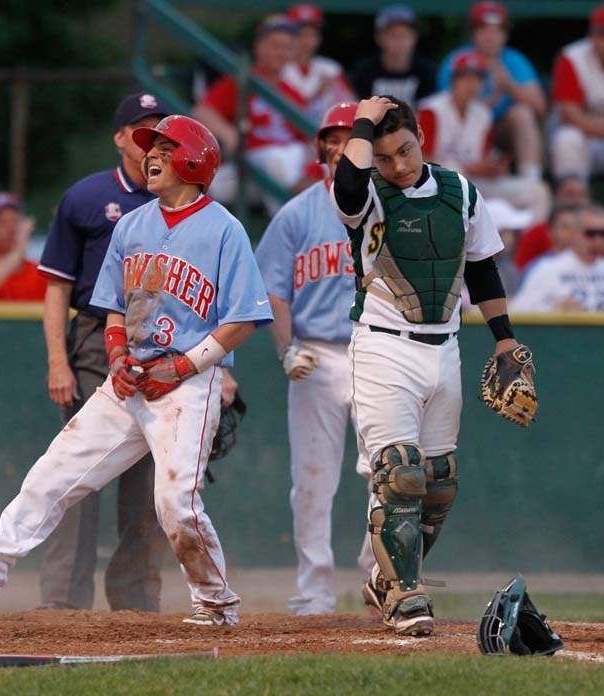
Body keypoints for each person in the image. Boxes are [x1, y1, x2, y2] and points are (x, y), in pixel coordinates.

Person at [0, 115, 273, 627]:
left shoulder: (224, 228)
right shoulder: (132, 225)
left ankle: (215, 602)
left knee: (175, 503)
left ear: (195, 161)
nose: (151, 155)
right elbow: (113, 307)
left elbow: (243, 319)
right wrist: (117, 357)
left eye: (166, 148)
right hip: (129, 380)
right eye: (151, 147)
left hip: (188, 384)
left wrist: (184, 365)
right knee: (53, 473)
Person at [331, 95, 521, 636]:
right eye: (384, 156)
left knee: (438, 483)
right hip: (384, 345)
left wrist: (505, 342)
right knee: (400, 473)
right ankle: (405, 597)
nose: (397, 165)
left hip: (445, 346)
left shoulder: (461, 191)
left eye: (405, 150)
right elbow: (347, 189)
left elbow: (481, 269)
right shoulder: (368, 192)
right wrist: (362, 122)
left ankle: (385, 578)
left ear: (421, 138)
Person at [36, 93, 170, 611]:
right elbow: (57, 288)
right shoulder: (89, 197)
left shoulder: (182, 199)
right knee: (80, 466)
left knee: (149, 474)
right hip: (96, 335)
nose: (150, 140)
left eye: (160, 130)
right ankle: (63, 602)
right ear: (119, 138)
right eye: (140, 129)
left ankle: (135, 601)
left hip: (161, 339)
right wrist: (58, 361)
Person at [255, 102, 363, 616]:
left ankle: (381, 581)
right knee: (312, 481)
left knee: (390, 473)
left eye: (349, 139)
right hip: (316, 353)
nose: (339, 148)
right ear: (321, 149)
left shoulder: (388, 208)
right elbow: (273, 290)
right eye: (332, 140)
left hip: (377, 350)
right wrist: (287, 348)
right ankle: (314, 591)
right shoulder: (297, 213)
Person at [193, 13, 309, 212]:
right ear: (259, 47)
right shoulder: (242, 82)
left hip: (287, 163)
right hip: (254, 160)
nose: (281, 53)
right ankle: (294, 225)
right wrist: (228, 132)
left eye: (287, 48)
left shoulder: (292, 92)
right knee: (273, 163)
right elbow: (202, 111)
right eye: (275, 46)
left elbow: (307, 138)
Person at [418, 50, 549, 221]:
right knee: (458, 181)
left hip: (474, 183)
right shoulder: (431, 109)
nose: (472, 85)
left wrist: (494, 168)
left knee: (537, 192)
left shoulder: (483, 114)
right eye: (466, 78)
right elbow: (422, 161)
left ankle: (526, 234)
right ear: (453, 80)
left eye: (477, 79)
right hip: (438, 184)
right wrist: (471, 168)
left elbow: (483, 158)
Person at [437, 1, 546, 180]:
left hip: (501, 131)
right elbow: (446, 110)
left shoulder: (513, 60)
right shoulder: (457, 61)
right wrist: (488, 102)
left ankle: (530, 179)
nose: (491, 37)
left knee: (522, 113)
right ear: (473, 33)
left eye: (497, 30)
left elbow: (540, 107)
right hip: (463, 135)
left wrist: (509, 85)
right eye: (484, 30)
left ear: (505, 34)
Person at [512, 205, 604, 312]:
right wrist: (555, 308)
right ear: (574, 233)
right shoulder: (547, 269)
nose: (598, 241)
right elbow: (518, 309)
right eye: (590, 234)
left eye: (602, 234)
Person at [549, 5, 604, 181]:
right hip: (585, 140)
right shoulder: (572, 57)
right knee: (568, 138)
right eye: (601, 34)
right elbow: (570, 116)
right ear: (592, 36)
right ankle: (572, 194)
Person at [349, 5, 436, 107]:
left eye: (404, 35)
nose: (399, 41)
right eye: (393, 35)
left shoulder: (426, 71)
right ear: (379, 38)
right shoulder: (363, 71)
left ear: (414, 37)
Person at [281, 4, 355, 122]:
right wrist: (315, 95)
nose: (306, 41)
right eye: (300, 34)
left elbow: (350, 107)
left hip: (325, 130)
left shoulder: (331, 68)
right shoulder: (276, 67)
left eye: (312, 34)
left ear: (319, 38)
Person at [514, 177, 589, 272]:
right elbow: (522, 271)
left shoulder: (598, 232)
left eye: (581, 195)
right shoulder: (535, 233)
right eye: (569, 194)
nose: (576, 200)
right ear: (556, 197)